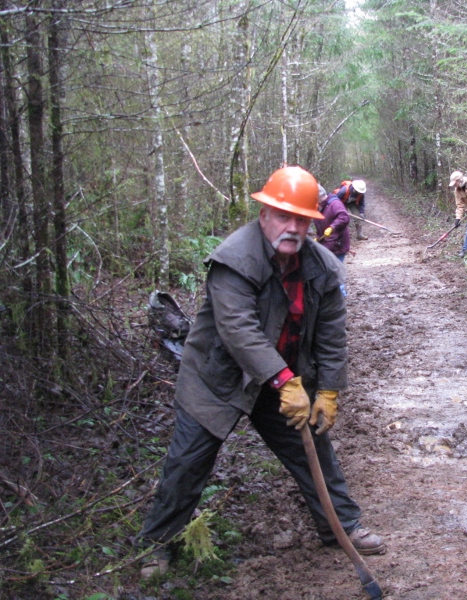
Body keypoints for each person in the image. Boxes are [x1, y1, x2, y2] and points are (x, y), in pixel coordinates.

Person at [138, 166, 384, 579]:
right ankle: (157, 545)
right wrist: (287, 381)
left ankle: (340, 526)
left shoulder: (322, 267)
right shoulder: (233, 259)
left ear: (311, 221)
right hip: (218, 378)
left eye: (301, 219)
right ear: (264, 213)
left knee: (314, 453)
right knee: (187, 461)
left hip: (280, 380)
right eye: (283, 216)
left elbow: (331, 335)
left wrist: (329, 391)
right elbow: (239, 331)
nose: (292, 227)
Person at [314, 184, 351, 263]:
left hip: (338, 244)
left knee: (336, 271)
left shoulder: (335, 204)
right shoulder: (319, 207)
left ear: (318, 196)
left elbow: (344, 217)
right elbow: (321, 224)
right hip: (328, 244)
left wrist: (332, 227)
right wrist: (318, 237)